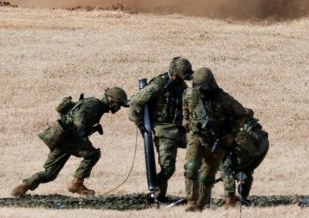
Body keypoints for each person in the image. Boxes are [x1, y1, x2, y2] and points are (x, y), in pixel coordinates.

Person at [11, 87, 129, 197]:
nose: (118, 108)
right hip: (70, 137)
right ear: (111, 100)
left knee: (49, 174)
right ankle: (76, 184)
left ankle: (23, 186)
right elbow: (78, 119)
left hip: (61, 138)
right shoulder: (94, 105)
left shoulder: (96, 106)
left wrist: (93, 129)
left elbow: (78, 120)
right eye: (119, 104)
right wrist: (82, 133)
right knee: (93, 155)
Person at [182, 67, 248, 212]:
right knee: (191, 167)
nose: (202, 91)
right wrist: (185, 119)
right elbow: (185, 107)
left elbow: (242, 114)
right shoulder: (189, 94)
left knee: (207, 176)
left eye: (204, 87)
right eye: (199, 87)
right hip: (196, 136)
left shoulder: (223, 99)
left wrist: (232, 134)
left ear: (211, 83)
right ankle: (191, 201)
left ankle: (199, 205)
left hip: (217, 141)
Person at [128, 56, 193, 202]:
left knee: (201, 148)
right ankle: (157, 196)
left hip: (180, 129)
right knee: (168, 168)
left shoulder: (181, 85)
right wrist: (140, 123)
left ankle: (197, 194)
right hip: (164, 131)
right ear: (174, 73)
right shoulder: (158, 86)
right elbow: (136, 102)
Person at [219, 108, 269, 208]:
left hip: (247, 140)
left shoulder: (219, 113)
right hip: (263, 140)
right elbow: (249, 111)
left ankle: (231, 200)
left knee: (226, 168)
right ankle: (243, 199)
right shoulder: (235, 109)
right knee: (246, 169)